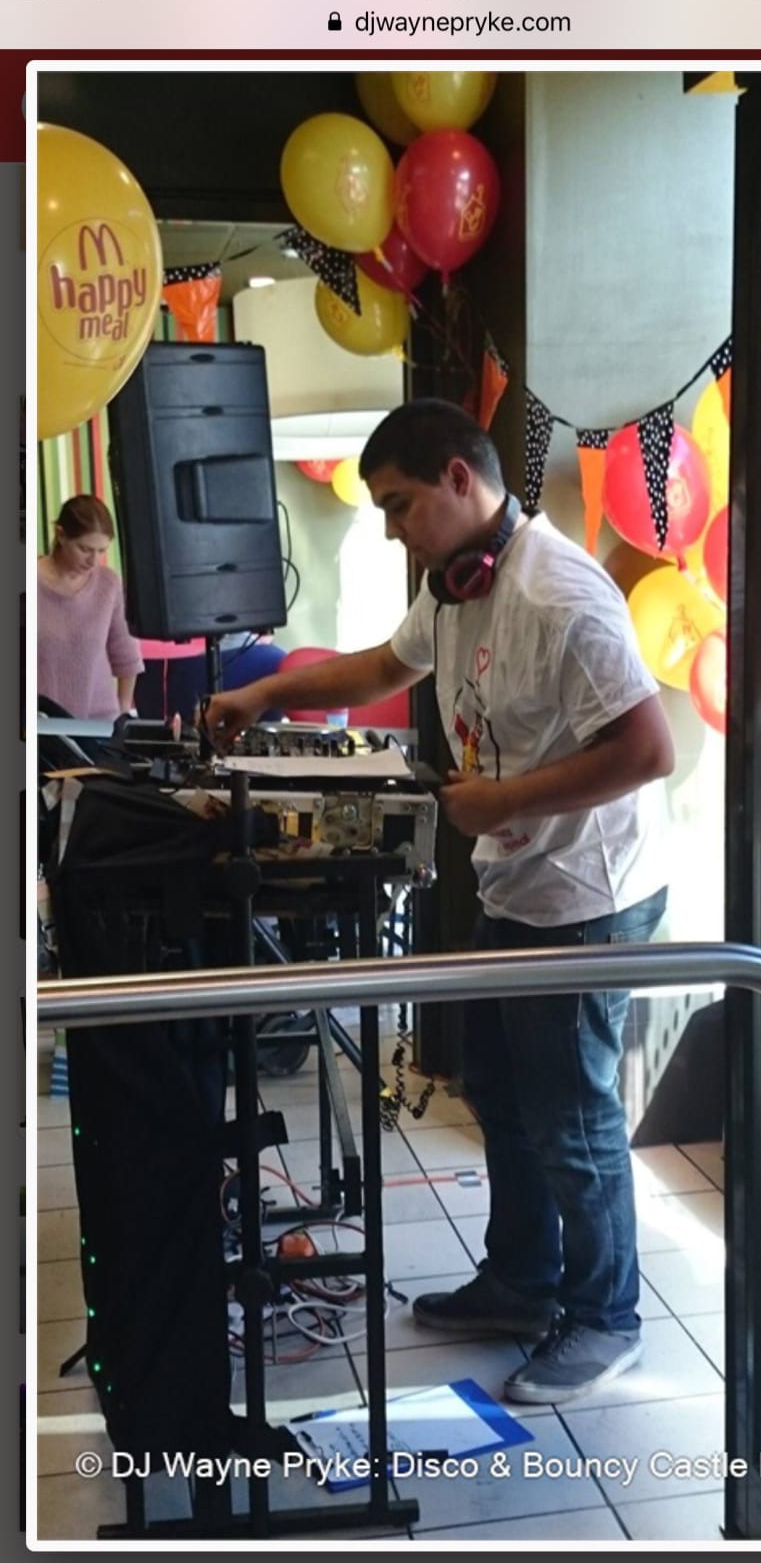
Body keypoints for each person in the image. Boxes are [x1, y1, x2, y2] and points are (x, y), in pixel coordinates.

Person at [203, 399, 674, 1406]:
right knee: (499, 1092)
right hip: (519, 884)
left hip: (587, 896)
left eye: (399, 504)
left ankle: (606, 1319)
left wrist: (502, 801)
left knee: (572, 1120)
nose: (390, 528)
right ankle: (522, 1281)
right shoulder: (456, 585)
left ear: (461, 479)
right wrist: (266, 693)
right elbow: (388, 663)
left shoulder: (561, 595)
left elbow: (648, 750)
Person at [38, 494, 144, 720]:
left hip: (99, 722)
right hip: (40, 722)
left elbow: (126, 657)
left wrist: (123, 711)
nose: (94, 561)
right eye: (85, 549)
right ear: (61, 535)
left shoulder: (109, 584)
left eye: (102, 551)